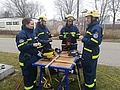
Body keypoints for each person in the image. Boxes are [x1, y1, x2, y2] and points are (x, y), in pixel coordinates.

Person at [79, 9, 104, 90]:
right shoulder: (92, 27)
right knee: (89, 71)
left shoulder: (96, 28)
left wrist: (83, 39)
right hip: (88, 53)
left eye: (88, 18)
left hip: (91, 54)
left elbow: (95, 42)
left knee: (89, 71)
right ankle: (88, 84)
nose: (87, 19)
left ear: (94, 18)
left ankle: (89, 87)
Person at [16, 18, 41, 90]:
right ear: (26, 24)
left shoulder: (32, 33)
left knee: (34, 73)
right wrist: (33, 45)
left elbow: (36, 40)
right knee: (28, 76)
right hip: (26, 59)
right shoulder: (21, 34)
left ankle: (33, 85)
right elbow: (21, 47)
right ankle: (28, 88)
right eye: (31, 24)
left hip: (33, 58)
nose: (33, 26)